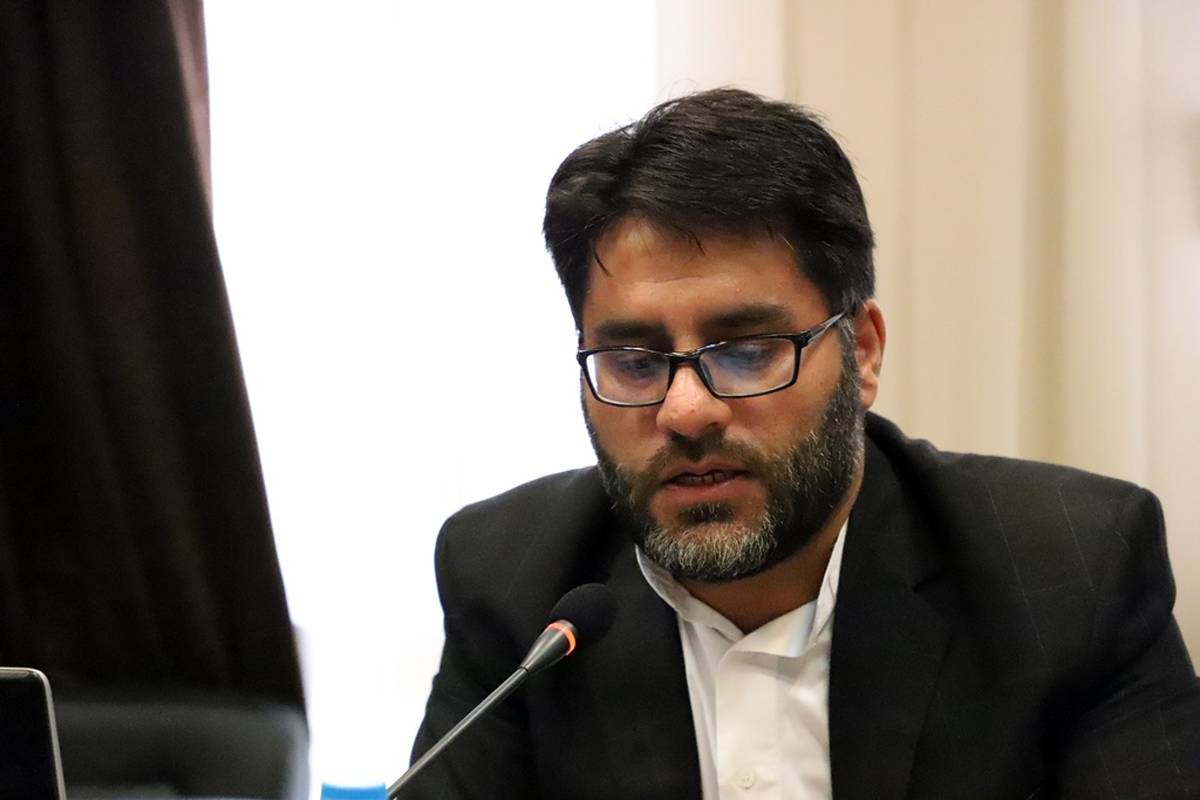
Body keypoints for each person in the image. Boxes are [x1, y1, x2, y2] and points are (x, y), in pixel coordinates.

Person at [408, 89, 1200, 798]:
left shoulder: (1067, 576)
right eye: (636, 362)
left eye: (747, 351)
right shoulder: (514, 585)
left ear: (863, 352)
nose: (687, 411)